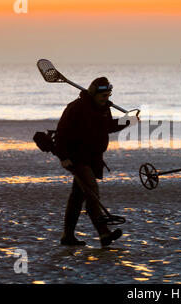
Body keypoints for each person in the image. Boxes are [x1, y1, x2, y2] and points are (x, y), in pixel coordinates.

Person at [55, 77, 132, 247]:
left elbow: (108, 127)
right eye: (103, 95)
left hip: (95, 158)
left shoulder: (104, 108)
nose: (106, 98)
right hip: (77, 157)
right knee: (92, 193)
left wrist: (128, 120)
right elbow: (61, 133)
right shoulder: (75, 108)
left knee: (78, 196)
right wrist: (63, 157)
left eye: (108, 95)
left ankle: (67, 236)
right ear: (93, 93)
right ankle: (104, 234)